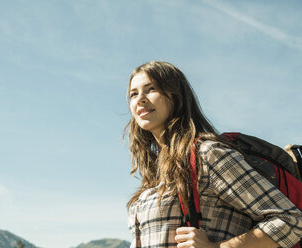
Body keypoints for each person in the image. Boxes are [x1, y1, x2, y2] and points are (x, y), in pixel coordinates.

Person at [125, 61, 302, 248]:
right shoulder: (155, 172)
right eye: (133, 94)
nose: (140, 99)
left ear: (176, 96)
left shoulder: (207, 154)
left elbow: (290, 220)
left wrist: (216, 247)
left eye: (151, 89)